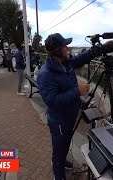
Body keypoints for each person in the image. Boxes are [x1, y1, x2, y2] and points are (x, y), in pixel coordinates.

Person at [37, 33, 97, 180]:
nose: (68, 48)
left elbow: (80, 59)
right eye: (65, 46)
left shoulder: (64, 63)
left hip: (69, 116)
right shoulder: (46, 74)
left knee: (64, 145)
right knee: (59, 149)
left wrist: (98, 50)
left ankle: (61, 162)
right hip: (59, 122)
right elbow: (52, 101)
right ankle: (59, 174)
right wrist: (77, 91)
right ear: (58, 50)